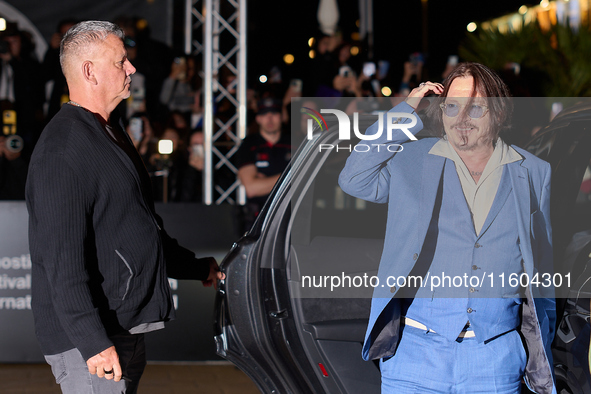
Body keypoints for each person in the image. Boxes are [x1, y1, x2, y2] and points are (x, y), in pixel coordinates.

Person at [25, 21, 224, 393]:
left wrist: (195, 267)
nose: (131, 69)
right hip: (90, 343)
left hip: (121, 327)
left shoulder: (110, 131)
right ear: (89, 71)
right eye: (121, 62)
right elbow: (61, 261)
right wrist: (93, 343)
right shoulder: (63, 150)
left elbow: (136, 226)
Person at [339, 62, 556, 393]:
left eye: (475, 106)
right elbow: (354, 178)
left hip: (495, 360)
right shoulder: (412, 160)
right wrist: (405, 110)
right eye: (452, 106)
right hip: (415, 357)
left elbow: (542, 267)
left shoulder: (535, 172)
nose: (462, 117)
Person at [236, 97, 291, 230]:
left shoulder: (294, 142)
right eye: (264, 114)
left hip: (291, 216)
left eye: (274, 114)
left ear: (281, 117)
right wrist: (291, 176)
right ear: (258, 118)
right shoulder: (249, 145)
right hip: (258, 221)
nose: (270, 118)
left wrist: (265, 182)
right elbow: (251, 188)